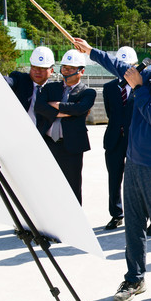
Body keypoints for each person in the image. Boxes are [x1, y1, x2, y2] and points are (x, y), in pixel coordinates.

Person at [72, 25, 151, 301]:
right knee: (134, 226)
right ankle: (134, 278)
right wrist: (91, 51)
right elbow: (120, 67)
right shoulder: (150, 76)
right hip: (136, 164)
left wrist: (138, 87)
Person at [34, 49, 96, 205]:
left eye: (70, 68)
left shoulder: (88, 92)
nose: (66, 71)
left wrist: (56, 105)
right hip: (48, 142)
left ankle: (74, 217)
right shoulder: (50, 88)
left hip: (71, 147)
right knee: (48, 185)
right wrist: (62, 113)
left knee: (72, 186)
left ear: (81, 71)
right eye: (64, 67)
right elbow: (39, 107)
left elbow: (80, 109)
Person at [102, 46, 138, 230]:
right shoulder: (108, 88)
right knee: (114, 178)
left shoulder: (141, 87)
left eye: (129, 66)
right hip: (114, 139)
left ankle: (138, 214)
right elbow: (110, 113)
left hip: (135, 141)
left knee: (137, 180)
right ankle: (116, 214)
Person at [4, 46, 55, 128]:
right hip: (17, 130)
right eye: (34, 67)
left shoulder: (54, 89)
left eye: (42, 68)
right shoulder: (20, 80)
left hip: (42, 135)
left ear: (51, 70)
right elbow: (7, 81)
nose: (37, 71)